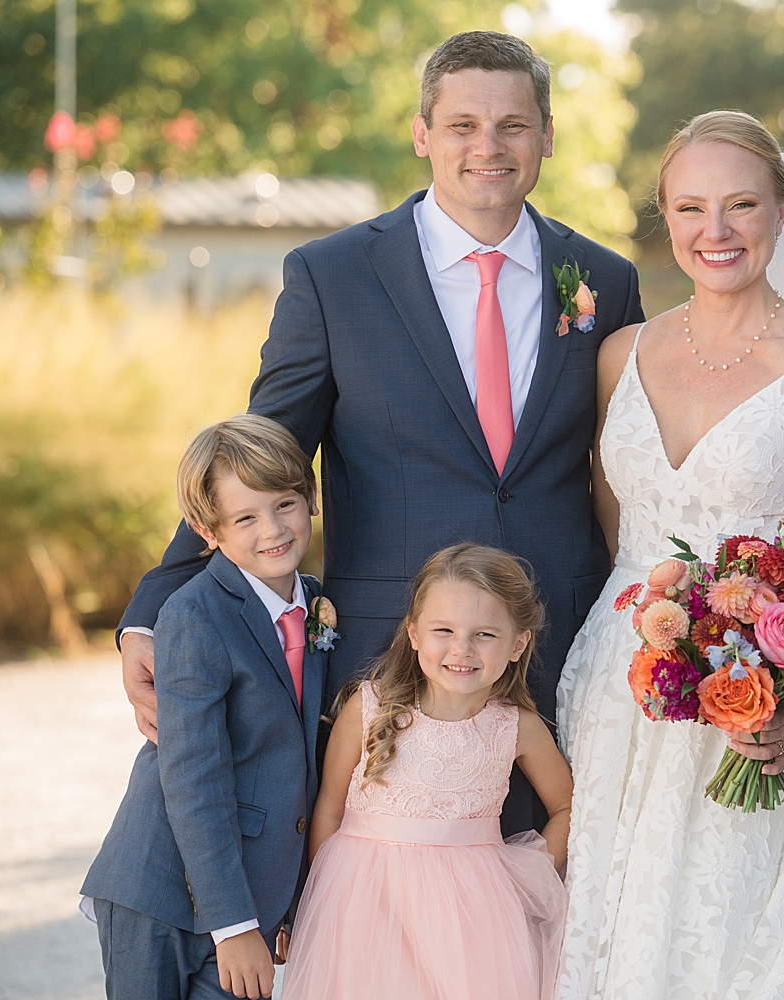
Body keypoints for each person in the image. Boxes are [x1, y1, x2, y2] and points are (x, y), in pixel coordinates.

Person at [114, 30, 643, 838]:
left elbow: (629, 467)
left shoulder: (604, 280)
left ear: (544, 135)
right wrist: (153, 607)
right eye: (462, 125)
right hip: (394, 656)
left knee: (554, 915)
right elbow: (260, 460)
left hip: (560, 647)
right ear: (422, 133)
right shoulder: (333, 277)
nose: (488, 147)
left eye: (513, 125)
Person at [556, 110, 784, 1000]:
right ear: (664, 216)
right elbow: (622, 535)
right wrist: (661, 634)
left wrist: (783, 703)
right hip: (621, 693)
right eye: (690, 209)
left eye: (740, 206)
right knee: (613, 935)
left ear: (783, 208)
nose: (714, 232)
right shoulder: (618, 355)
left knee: (736, 948)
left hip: (762, 709)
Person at [81, 414, 328, 1000]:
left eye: (285, 504)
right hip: (162, 890)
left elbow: (294, 764)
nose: (273, 529)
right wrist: (236, 925)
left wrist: (284, 900)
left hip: (243, 891)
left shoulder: (315, 604)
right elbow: (195, 778)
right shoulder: (194, 615)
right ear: (206, 530)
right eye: (245, 517)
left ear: (312, 499)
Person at [277, 543, 571, 1000]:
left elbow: (568, 806)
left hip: (471, 919)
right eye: (443, 630)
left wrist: (525, 878)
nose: (462, 649)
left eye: (485, 635)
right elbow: (330, 806)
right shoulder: (369, 706)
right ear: (413, 632)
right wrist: (320, 903)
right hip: (364, 907)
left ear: (518, 644)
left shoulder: (516, 726)